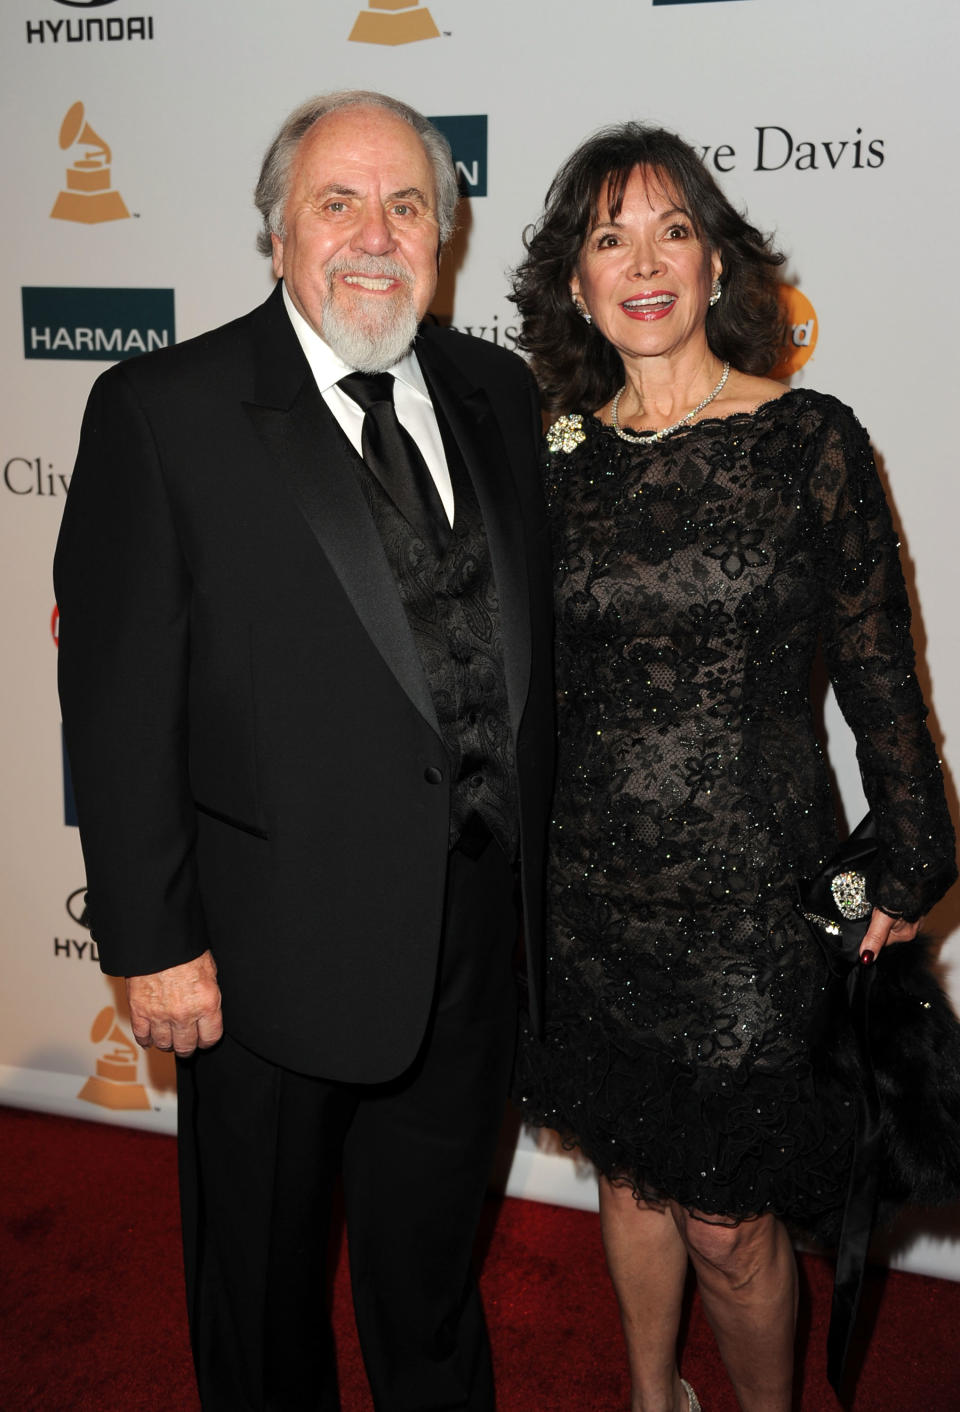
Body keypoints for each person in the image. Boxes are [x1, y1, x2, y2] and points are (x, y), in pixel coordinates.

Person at [54, 90, 554, 1412]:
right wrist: (150, 939)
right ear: (279, 233)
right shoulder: (165, 408)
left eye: (407, 206)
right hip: (263, 958)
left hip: (467, 955)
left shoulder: (500, 392)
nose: (374, 235)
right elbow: (116, 700)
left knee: (431, 1276)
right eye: (337, 202)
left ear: (446, 238)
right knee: (262, 1291)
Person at [511, 123, 957, 1412]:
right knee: (633, 1174)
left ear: (716, 267)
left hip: (759, 910)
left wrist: (911, 848)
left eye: (672, 231)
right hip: (593, 901)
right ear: (578, 285)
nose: (642, 263)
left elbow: (883, 679)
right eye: (609, 239)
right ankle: (655, 1397)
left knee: (731, 1223)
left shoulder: (811, 441)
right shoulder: (550, 466)